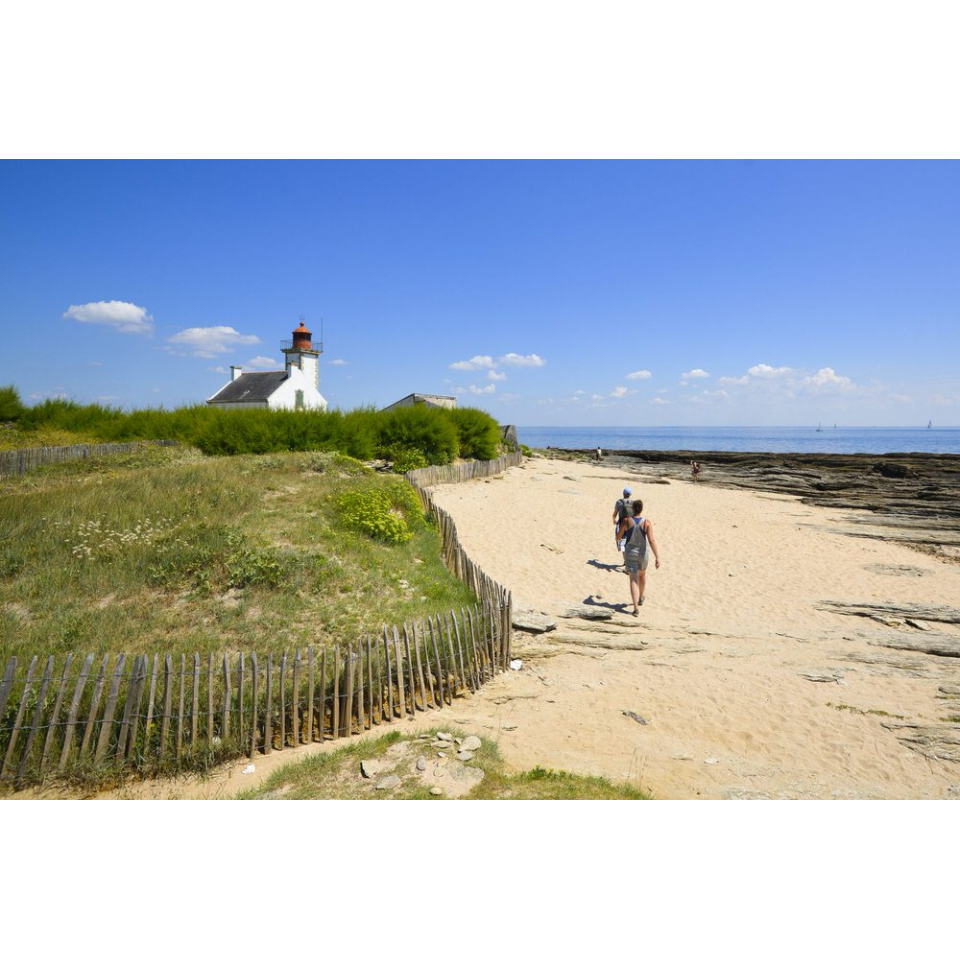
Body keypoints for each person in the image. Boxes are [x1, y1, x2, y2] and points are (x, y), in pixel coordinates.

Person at [618, 500, 661, 616]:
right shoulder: (646, 522)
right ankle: (641, 597)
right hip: (643, 554)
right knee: (642, 575)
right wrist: (657, 557)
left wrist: (622, 535)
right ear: (641, 509)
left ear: (632, 509)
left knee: (633, 580)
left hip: (631, 553)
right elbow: (651, 540)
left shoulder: (626, 521)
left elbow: (619, 536)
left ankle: (636, 608)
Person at [612, 486, 634, 552]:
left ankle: (625, 559)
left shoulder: (619, 502)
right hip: (631, 523)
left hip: (622, 522)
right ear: (630, 494)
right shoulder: (633, 502)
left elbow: (614, 514)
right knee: (629, 541)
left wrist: (614, 520)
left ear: (623, 493)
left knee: (620, 540)